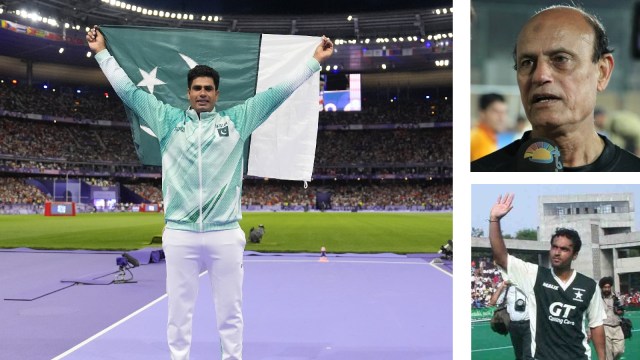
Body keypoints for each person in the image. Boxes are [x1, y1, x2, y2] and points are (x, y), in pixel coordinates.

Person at [87, 27, 333, 360]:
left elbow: (277, 93)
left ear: (217, 94)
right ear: (188, 93)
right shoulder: (166, 120)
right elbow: (128, 92)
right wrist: (102, 52)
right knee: (178, 312)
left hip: (225, 234)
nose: (202, 93)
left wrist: (314, 62)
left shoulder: (238, 121)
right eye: (197, 88)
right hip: (179, 234)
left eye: (208, 89)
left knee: (230, 313)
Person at [472, 5, 640, 171]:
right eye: (527, 62)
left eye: (561, 59)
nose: (540, 76)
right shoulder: (478, 180)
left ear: (602, 72)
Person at [488, 193, 606, 360]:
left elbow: (596, 325)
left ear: (575, 255)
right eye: (554, 247)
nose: (557, 253)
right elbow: (501, 258)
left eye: (564, 249)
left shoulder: (588, 285)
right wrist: (494, 220)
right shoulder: (535, 275)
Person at [489, 278, 533, 360]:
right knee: (519, 355)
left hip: (529, 325)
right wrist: (501, 286)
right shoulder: (508, 289)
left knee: (528, 355)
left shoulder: (530, 286)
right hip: (513, 325)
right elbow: (492, 302)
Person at [470, 93, 508, 161]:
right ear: (482, 113)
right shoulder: (478, 139)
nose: (501, 118)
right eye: (496, 112)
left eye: (504, 112)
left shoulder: (487, 136)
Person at [599, 276, 625, 360]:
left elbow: (622, 311)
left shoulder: (616, 298)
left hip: (617, 327)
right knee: (608, 354)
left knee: (620, 350)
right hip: (605, 327)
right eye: (605, 287)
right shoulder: (598, 299)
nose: (607, 289)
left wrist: (620, 311)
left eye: (608, 287)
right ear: (602, 288)